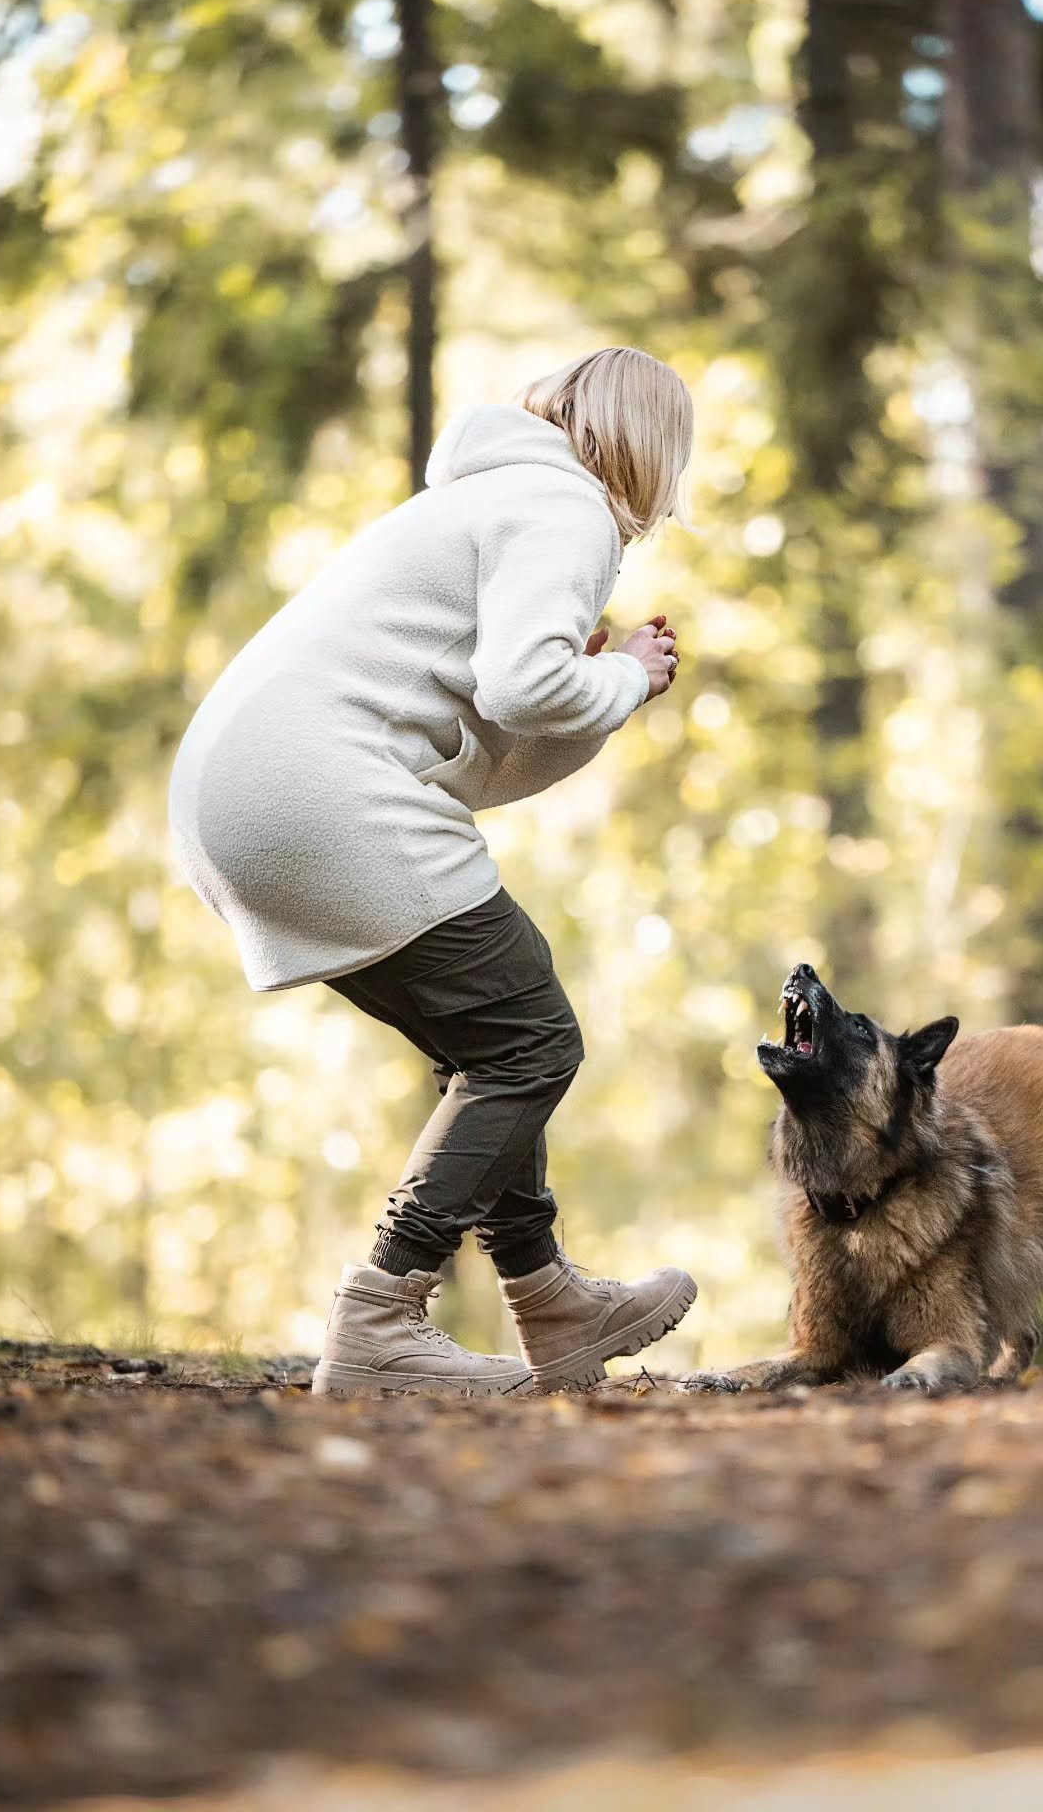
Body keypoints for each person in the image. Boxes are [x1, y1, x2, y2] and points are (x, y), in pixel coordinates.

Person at [168, 346, 698, 1397]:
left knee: (488, 1038)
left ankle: (551, 1302)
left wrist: (595, 680)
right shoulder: (566, 509)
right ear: (647, 446)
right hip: (313, 787)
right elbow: (526, 683)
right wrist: (625, 677)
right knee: (531, 1038)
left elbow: (488, 745)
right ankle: (378, 1319)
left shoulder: (489, 499)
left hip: (238, 796)